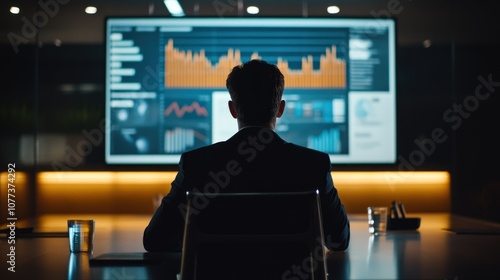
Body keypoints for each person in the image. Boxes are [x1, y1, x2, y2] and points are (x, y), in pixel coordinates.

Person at [143, 59, 350, 254]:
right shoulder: (313, 165)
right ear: (280, 109)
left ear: (233, 109)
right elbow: (338, 240)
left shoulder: (196, 164)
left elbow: (155, 240)